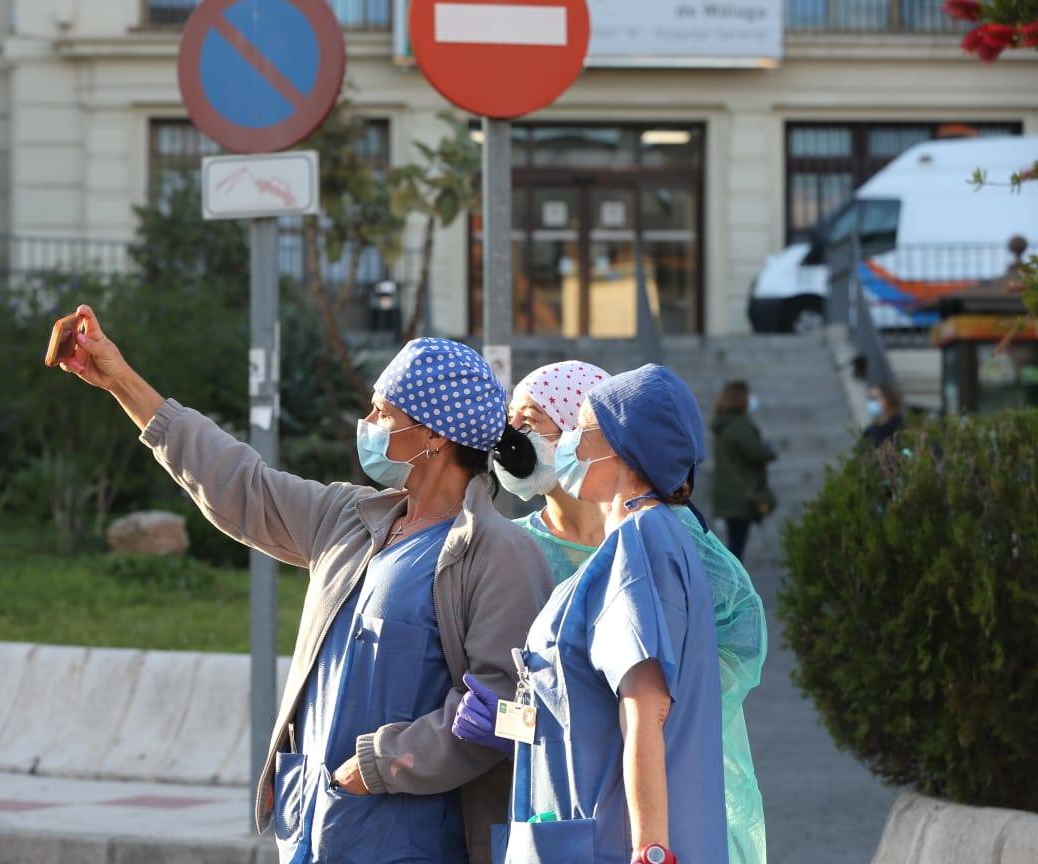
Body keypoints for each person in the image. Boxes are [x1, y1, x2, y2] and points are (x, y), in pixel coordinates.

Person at [58, 309, 553, 864]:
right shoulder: (348, 517)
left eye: (381, 412)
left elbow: (501, 707)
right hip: (314, 827)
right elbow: (240, 483)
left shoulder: (499, 552)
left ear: (433, 435)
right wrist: (120, 380)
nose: (367, 422)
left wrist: (378, 766)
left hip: (409, 841)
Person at [494, 363, 768, 864]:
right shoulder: (641, 539)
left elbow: (646, 705)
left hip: (613, 828)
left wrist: (651, 849)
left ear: (620, 444)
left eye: (580, 428)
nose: (571, 443)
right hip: (590, 813)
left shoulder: (642, 544)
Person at [496, 361, 610, 582]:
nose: (511, 433)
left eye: (529, 419)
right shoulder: (509, 547)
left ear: (580, 433)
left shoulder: (648, 535)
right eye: (511, 418)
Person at [711, 381, 776, 563]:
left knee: (735, 544)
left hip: (729, 493)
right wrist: (768, 450)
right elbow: (755, 452)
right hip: (741, 495)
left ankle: (734, 585)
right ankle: (735, 587)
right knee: (736, 549)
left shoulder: (723, 424)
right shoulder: (739, 425)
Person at [862, 382, 904, 448]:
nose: (871, 403)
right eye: (870, 399)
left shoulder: (899, 425)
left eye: (874, 398)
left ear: (887, 399)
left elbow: (907, 451)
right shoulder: (870, 431)